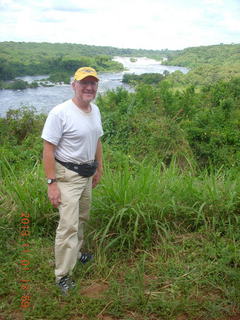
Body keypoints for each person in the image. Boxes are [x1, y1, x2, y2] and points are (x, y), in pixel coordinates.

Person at [41, 67, 103, 295]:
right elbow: (48, 149)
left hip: (87, 174)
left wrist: (99, 168)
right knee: (68, 226)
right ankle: (62, 275)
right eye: (83, 83)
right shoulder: (60, 113)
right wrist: (52, 183)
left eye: (92, 83)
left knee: (82, 217)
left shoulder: (94, 110)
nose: (89, 87)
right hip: (67, 176)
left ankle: (76, 253)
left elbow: (97, 140)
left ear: (96, 87)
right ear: (73, 85)